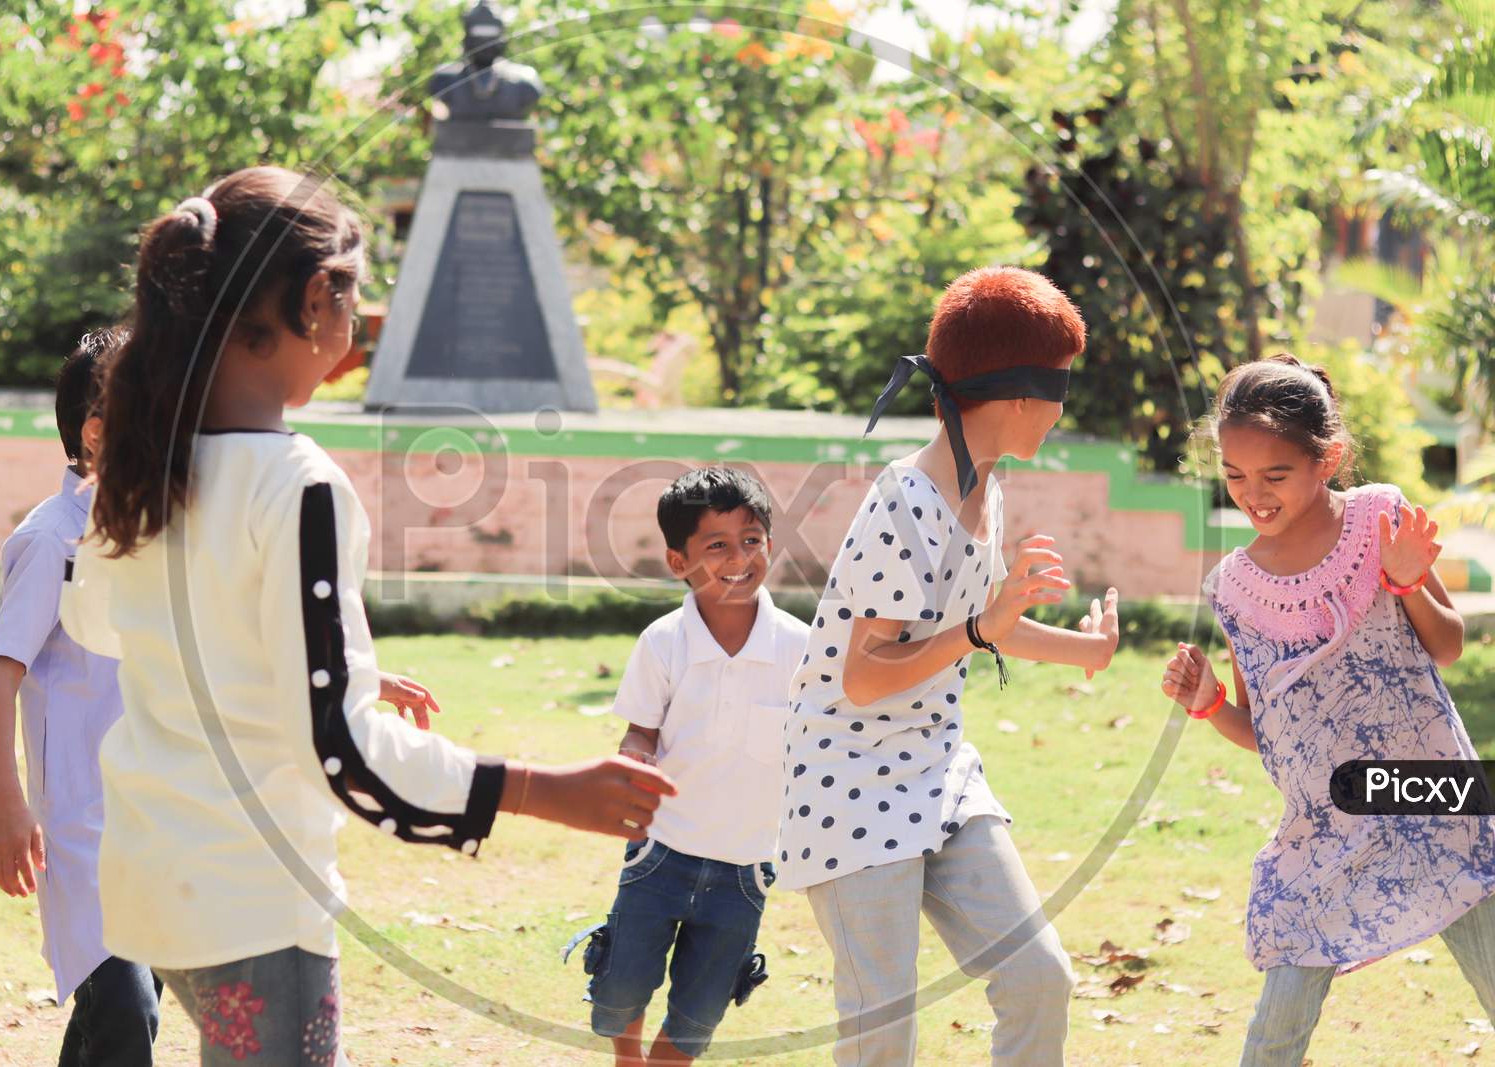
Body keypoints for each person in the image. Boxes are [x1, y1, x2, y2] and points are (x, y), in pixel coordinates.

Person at [60, 166, 675, 1066]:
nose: (358, 330)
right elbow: (339, 749)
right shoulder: (298, 485)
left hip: (155, 887)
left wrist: (293, 654)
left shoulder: (152, 464)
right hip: (253, 903)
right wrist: (543, 789)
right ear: (315, 300)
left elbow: (101, 625)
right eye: (354, 296)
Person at [777, 266, 1122, 1066]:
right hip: (848, 778)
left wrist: (1084, 649)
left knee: (1039, 976)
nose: (1063, 409)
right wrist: (979, 626)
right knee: (882, 1027)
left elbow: (984, 623)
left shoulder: (985, 488)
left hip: (938, 771)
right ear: (1015, 397)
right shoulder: (903, 502)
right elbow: (865, 674)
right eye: (1059, 388)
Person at [1161, 353, 1495, 1067]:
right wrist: (1210, 700)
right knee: (1280, 1014)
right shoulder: (1232, 589)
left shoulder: (1381, 517)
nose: (1255, 494)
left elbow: (1449, 645)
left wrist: (1406, 582)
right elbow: (1269, 733)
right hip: (1326, 826)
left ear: (1328, 458)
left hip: (1431, 794)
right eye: (1235, 476)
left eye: (1275, 475)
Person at [0, 328, 166, 1066]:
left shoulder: (145, 536)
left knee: (108, 1015)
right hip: (78, 826)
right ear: (96, 432)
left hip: (145, 813)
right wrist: (6, 802)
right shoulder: (51, 538)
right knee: (126, 1011)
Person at [574, 467, 809, 1065]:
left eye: (751, 540)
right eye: (717, 545)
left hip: (746, 867)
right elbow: (640, 730)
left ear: (770, 547)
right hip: (662, 851)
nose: (739, 558)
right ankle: (629, 1057)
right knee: (621, 989)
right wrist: (634, 759)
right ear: (679, 562)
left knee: (700, 1012)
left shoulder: (802, 649)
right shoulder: (662, 642)